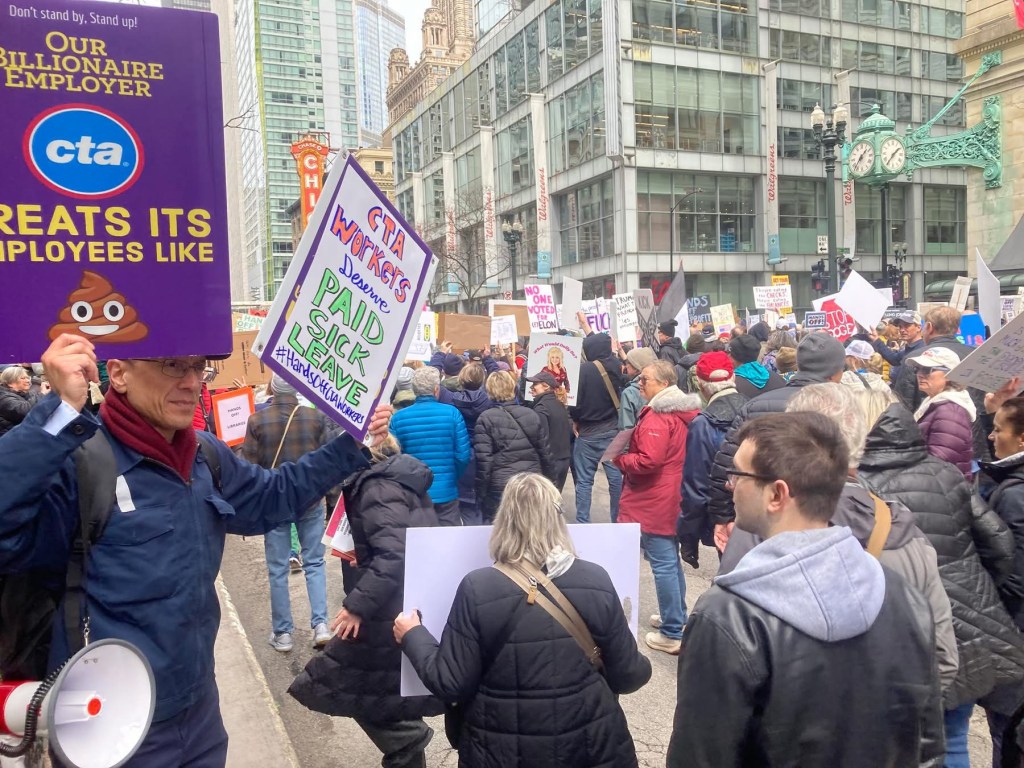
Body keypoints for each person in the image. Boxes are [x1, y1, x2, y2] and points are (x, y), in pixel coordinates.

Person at [0, 334, 389, 766]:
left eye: (197, 366)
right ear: (121, 373)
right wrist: (58, 414)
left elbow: (273, 496)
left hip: (199, 714)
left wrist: (352, 442)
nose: (191, 382)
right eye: (171, 364)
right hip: (105, 725)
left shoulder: (205, 456)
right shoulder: (79, 462)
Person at [667, 412, 945, 767]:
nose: (728, 484)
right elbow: (928, 745)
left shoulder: (728, 617)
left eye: (738, 473)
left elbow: (700, 757)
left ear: (777, 494)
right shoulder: (904, 595)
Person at [393, 473, 652, 768]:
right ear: (557, 520)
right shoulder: (596, 578)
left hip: (500, 751)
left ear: (504, 520)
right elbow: (631, 676)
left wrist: (413, 634)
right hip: (591, 747)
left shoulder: (478, 587)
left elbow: (451, 683)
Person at [858, 393, 1024, 767]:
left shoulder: (859, 485)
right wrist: (980, 585)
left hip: (901, 629)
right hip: (967, 625)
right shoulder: (946, 471)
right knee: (953, 738)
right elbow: (999, 542)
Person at [288, 436, 443, 768]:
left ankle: (408, 740)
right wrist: (368, 555)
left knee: (336, 682)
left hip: (385, 609)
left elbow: (396, 552)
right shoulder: (392, 480)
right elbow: (403, 540)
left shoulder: (377, 487)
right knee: (384, 698)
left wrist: (356, 605)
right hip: (399, 601)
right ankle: (407, 745)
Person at [708, 333, 848, 554]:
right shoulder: (846, 410)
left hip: (761, 520)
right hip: (824, 524)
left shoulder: (755, 406)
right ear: (837, 372)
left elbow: (728, 463)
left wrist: (722, 516)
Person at [241, 374, 337, 652]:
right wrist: (329, 499)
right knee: (315, 563)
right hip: (310, 499)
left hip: (274, 501)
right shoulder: (314, 417)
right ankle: (321, 625)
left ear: (272, 388)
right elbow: (326, 462)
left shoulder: (257, 421)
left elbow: (249, 467)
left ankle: (283, 634)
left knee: (277, 570)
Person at [613, 361, 700, 655]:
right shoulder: (679, 412)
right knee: (669, 562)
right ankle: (676, 618)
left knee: (663, 563)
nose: (640, 383)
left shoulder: (657, 417)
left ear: (663, 384)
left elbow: (648, 461)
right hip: (670, 496)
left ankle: (672, 631)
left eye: (645, 379)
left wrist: (621, 460)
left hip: (654, 499)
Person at [979, 396, 1024, 764]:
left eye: (998, 430)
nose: (993, 437)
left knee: (1006, 738)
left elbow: (1015, 578)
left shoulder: (1015, 496)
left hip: (1014, 638)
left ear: (1021, 439)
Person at [678, 352, 747, 569]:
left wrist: (688, 539)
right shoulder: (755, 409)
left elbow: (696, 488)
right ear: (733, 377)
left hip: (725, 519)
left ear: (701, 384)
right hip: (760, 515)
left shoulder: (703, 425)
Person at [389, 366, 472, 527]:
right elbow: (462, 456)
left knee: (419, 545)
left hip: (414, 493)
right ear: (436, 389)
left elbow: (394, 459)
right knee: (448, 544)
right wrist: (451, 477)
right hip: (446, 491)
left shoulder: (398, 418)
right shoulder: (452, 414)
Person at [473, 371, 554, 523]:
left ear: (489, 390)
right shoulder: (530, 414)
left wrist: (481, 492)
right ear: (513, 387)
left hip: (502, 485)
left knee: (502, 528)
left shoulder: (485, 418)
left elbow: (484, 461)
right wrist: (551, 483)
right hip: (531, 481)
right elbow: (545, 453)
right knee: (531, 526)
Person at [569, 333, 624, 524]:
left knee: (584, 480)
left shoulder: (582, 370)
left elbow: (574, 402)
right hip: (613, 430)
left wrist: (575, 419)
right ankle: (617, 520)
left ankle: (583, 522)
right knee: (616, 479)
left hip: (588, 432)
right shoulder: (618, 366)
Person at [438, 363, 496, 525]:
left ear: (461, 379)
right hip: (483, 455)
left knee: (458, 507)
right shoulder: (490, 401)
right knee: (478, 507)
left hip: (459, 456)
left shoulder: (449, 399)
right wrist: (489, 360)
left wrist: (440, 354)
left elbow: (431, 378)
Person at [906, 347, 975, 481]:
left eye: (927, 370)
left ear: (950, 374)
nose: (919, 374)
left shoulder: (950, 411)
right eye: (917, 369)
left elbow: (940, 464)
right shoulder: (935, 402)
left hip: (945, 492)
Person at [870, 308, 925, 407]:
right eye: (900, 326)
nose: (902, 330)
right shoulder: (909, 348)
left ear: (918, 327)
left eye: (907, 326)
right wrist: (877, 340)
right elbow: (894, 359)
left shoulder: (921, 350)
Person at [527, 371, 573, 491]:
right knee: (554, 502)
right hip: (563, 459)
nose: (532, 387)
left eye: (535, 384)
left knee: (545, 504)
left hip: (551, 462)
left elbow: (542, 440)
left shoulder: (541, 408)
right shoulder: (559, 403)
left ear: (546, 386)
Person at [727, 333, 785, 399]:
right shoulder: (778, 378)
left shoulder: (733, 386)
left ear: (733, 357)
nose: (728, 356)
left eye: (730, 354)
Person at [0, 366, 48, 438]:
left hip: (25, 435)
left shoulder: (26, 393)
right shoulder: (3, 397)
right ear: (10, 383)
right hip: (11, 438)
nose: (28, 381)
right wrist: (42, 393)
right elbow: (24, 411)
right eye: (23, 378)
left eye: (28, 378)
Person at [618, 347, 658, 430]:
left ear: (636, 368)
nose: (625, 366)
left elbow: (626, 429)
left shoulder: (629, 393)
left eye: (628, 363)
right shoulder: (660, 384)